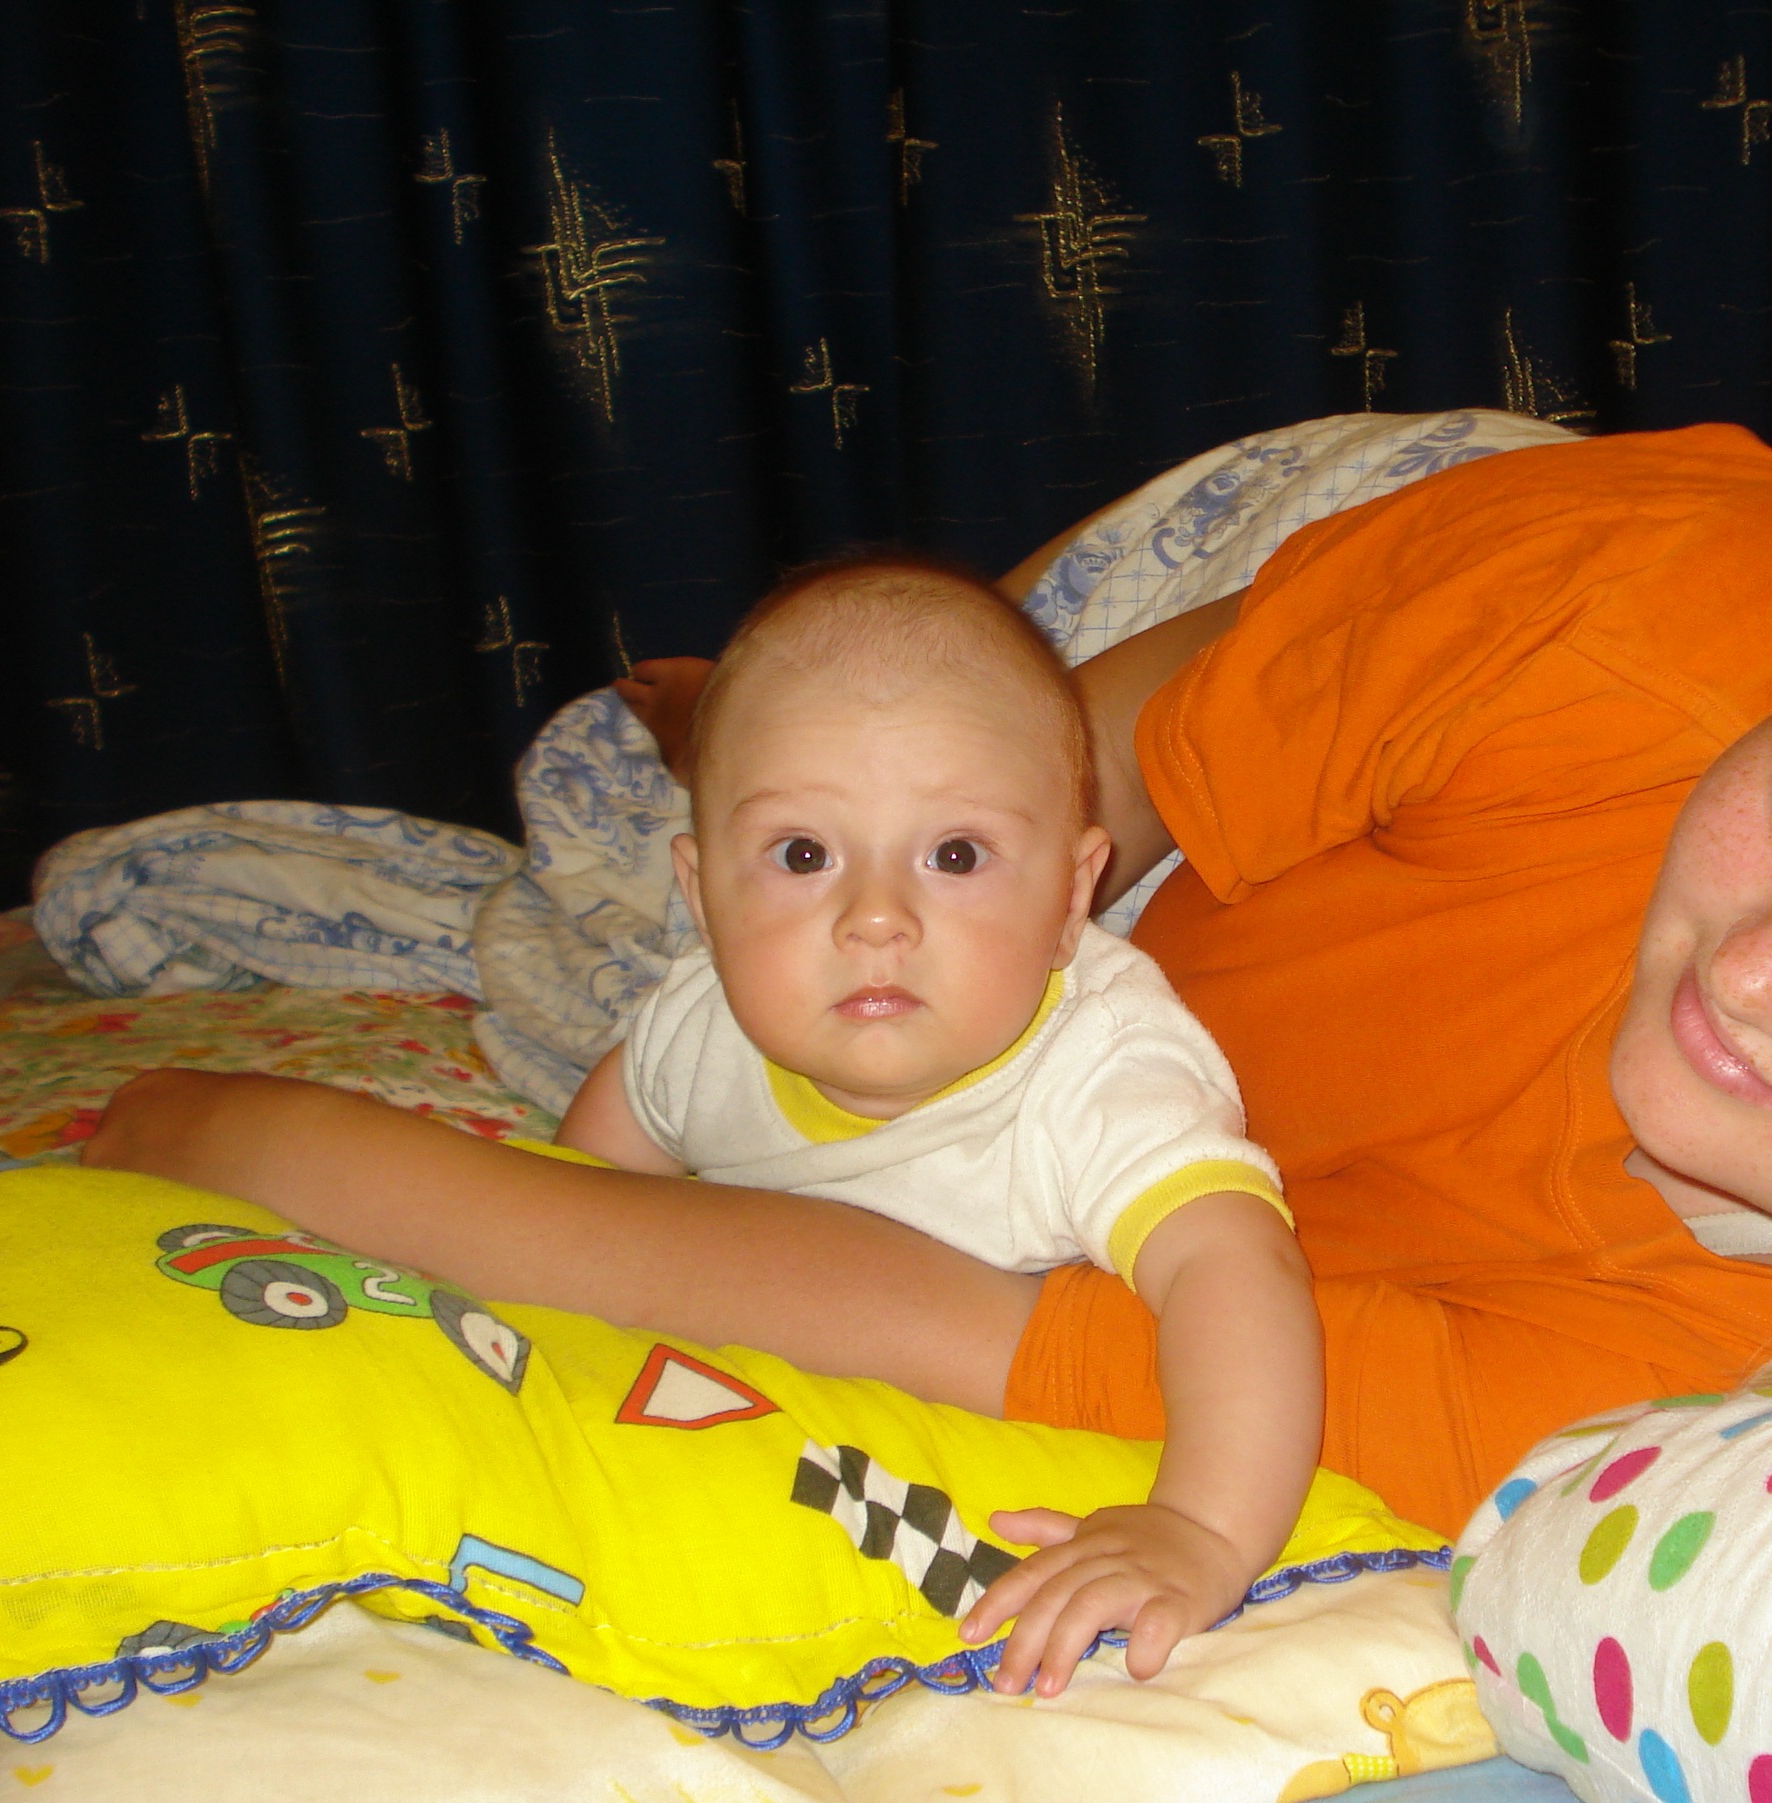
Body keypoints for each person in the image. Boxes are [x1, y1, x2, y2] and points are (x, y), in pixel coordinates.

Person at [86, 416, 1772, 1625]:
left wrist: (294, 1154)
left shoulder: (1719, 1396)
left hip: (1132, 1064)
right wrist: (848, 842)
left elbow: (931, 1311)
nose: (1752, 964)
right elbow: (1071, 755)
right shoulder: (1681, 600)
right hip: (1179, 769)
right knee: (836, 760)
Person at [553, 555, 1317, 1697]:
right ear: (703, 896)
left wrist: (1199, 1526)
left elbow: (1236, 1268)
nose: (876, 918)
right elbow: (575, 1201)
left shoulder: (1100, 1072)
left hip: (984, 1445)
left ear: (1070, 897)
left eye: (954, 856)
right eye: (803, 855)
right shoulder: (693, 1028)